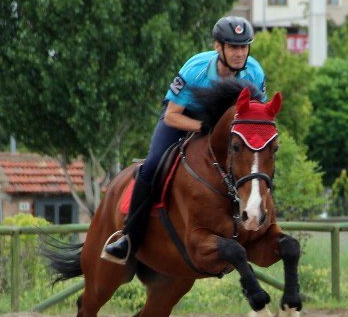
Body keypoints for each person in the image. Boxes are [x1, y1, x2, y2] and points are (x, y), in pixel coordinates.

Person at [102, 16, 267, 264]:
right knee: (153, 164)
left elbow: (257, 117)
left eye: (243, 47)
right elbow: (171, 116)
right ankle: (129, 237)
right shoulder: (195, 69)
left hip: (225, 129)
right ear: (217, 47)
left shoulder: (254, 71)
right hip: (185, 119)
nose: (239, 53)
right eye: (233, 47)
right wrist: (203, 128)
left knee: (257, 161)